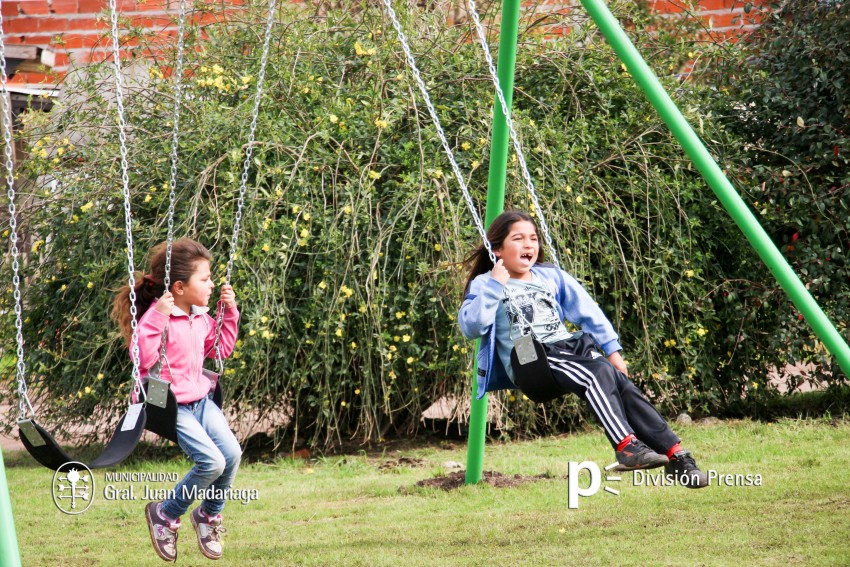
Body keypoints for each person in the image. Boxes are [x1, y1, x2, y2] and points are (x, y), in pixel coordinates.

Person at [458, 210, 708, 488]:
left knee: (618, 381)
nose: (529, 245)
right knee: (595, 372)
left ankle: (676, 455)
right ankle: (626, 446)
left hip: (566, 347)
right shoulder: (486, 283)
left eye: (533, 238)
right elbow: (472, 327)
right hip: (529, 357)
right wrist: (495, 284)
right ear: (497, 250)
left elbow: (589, 311)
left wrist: (612, 350)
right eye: (518, 239)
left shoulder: (549, 276)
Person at [113, 238, 242, 561]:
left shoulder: (200, 317)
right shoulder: (159, 319)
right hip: (170, 405)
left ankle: (208, 515)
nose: (212, 284)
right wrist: (157, 315)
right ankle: (166, 514)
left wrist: (229, 313)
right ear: (180, 287)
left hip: (201, 400)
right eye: (206, 278)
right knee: (211, 462)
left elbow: (219, 350)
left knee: (232, 454)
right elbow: (142, 359)